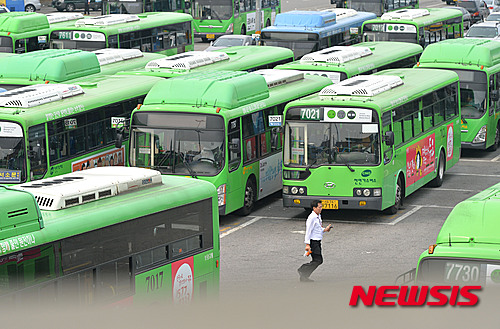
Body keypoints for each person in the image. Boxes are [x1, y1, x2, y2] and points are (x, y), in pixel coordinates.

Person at [297, 200, 332, 282]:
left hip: (317, 241)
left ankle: (304, 277)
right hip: (313, 242)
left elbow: (318, 229)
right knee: (318, 260)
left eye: (321, 207)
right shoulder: (311, 218)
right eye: (319, 207)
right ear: (314, 208)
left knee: (316, 260)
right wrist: (307, 244)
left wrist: (325, 230)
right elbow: (308, 231)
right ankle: (303, 269)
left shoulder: (318, 216)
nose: (321, 209)